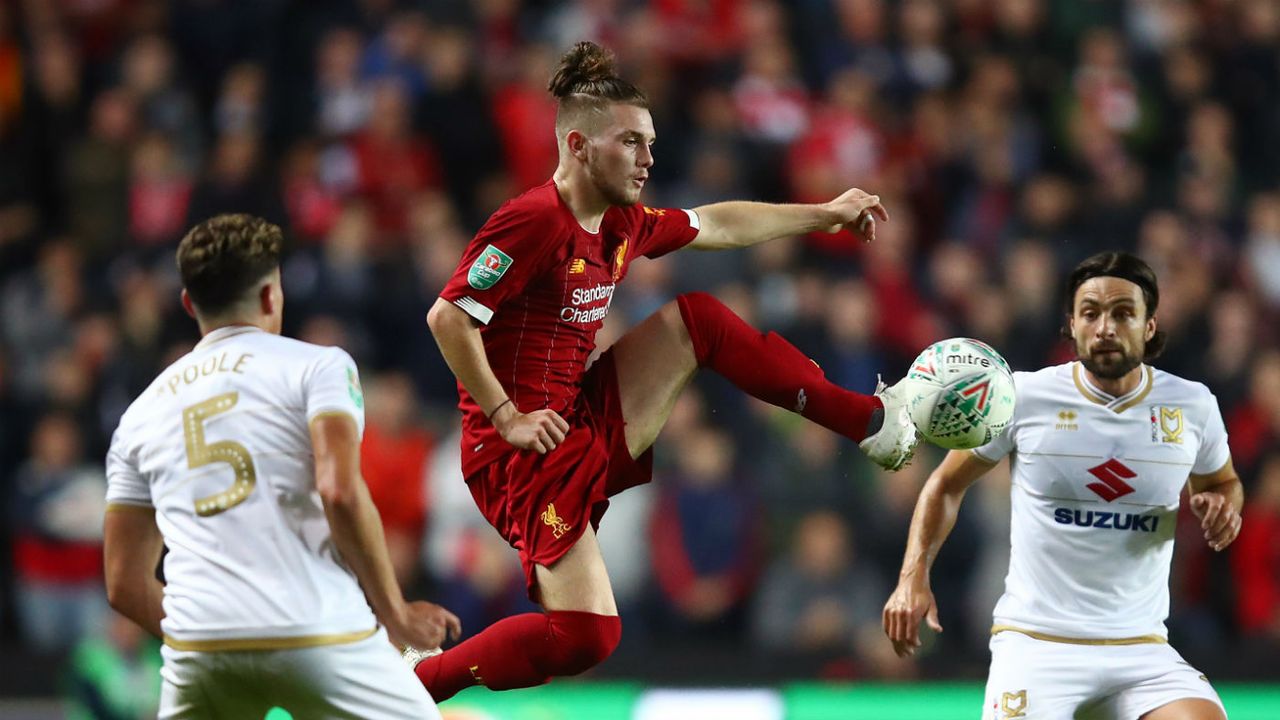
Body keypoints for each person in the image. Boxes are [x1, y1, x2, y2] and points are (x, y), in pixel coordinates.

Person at [413, 40, 918, 702]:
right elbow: (447, 318)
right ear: (578, 146)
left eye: (650, 142)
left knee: (699, 321)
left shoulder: (619, 221)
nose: (649, 159)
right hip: (522, 451)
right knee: (588, 637)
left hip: (577, 409)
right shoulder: (533, 221)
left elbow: (717, 223)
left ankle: (869, 423)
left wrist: (822, 214)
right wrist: (506, 416)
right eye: (631, 143)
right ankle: (413, 684)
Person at [102, 214, 460, 718]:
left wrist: (210, 634)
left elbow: (122, 582)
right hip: (316, 628)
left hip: (200, 648)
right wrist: (395, 612)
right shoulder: (319, 366)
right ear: (272, 295)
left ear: (189, 304)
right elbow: (338, 489)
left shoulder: (138, 415)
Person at [883, 251, 1243, 720]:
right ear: (1071, 326)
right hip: (1037, 645)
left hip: (1141, 649)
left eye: (1123, 313)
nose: (1105, 327)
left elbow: (1224, 482)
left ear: (1149, 326)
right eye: (1090, 313)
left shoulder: (1192, 406)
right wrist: (913, 578)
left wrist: (1223, 506)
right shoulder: (1023, 397)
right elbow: (945, 485)